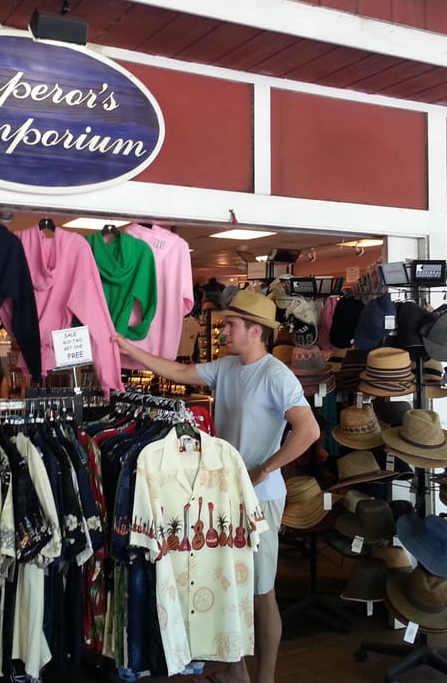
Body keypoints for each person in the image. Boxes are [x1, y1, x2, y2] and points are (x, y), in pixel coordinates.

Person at [112, 289, 320, 683]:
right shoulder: (227, 366)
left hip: (260, 498)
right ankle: (235, 669)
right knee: (230, 585)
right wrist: (129, 348)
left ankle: (265, 679)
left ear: (255, 331)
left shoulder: (276, 375)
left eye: (231, 325)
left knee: (262, 592)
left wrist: (264, 469)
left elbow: (308, 430)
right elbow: (178, 373)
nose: (223, 330)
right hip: (225, 497)